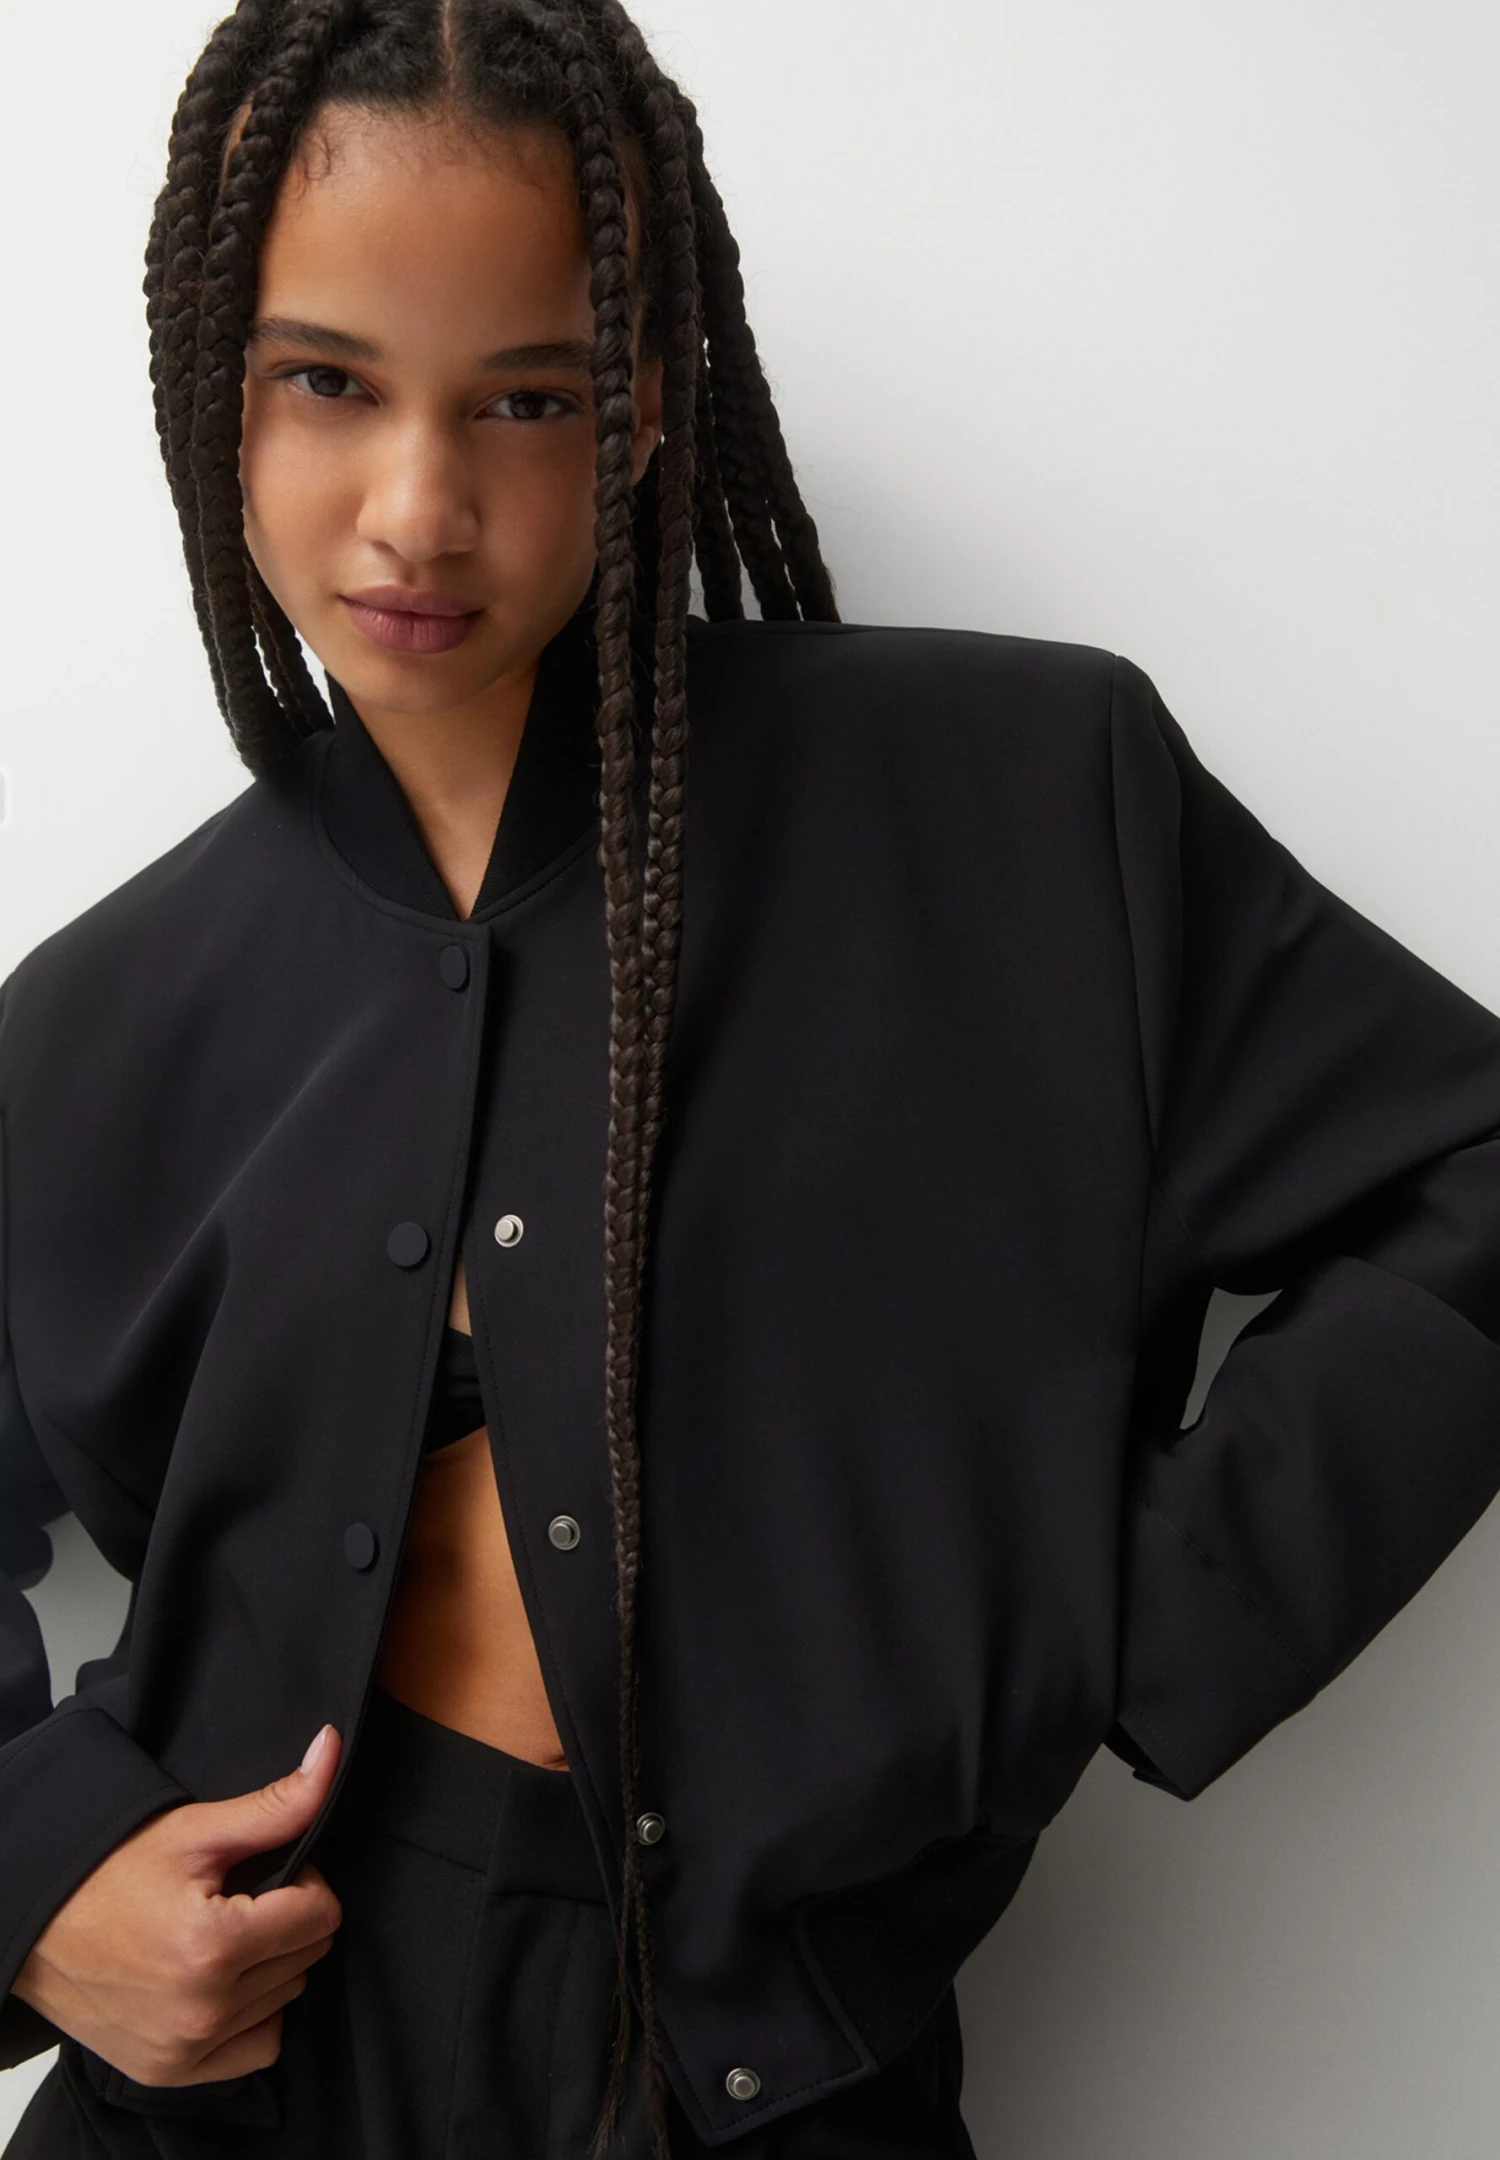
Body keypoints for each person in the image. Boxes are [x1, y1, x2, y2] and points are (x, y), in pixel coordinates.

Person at [4, 1, 1500, 2155]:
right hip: (217, 2084)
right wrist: (34, 1885)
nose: (418, 507)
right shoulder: (90, 1018)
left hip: (773, 2084)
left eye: (527, 398)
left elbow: (1467, 1165)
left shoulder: (1017, 808)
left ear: (640, 409)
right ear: (206, 386)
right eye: (326, 380)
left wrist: (1140, 1621)